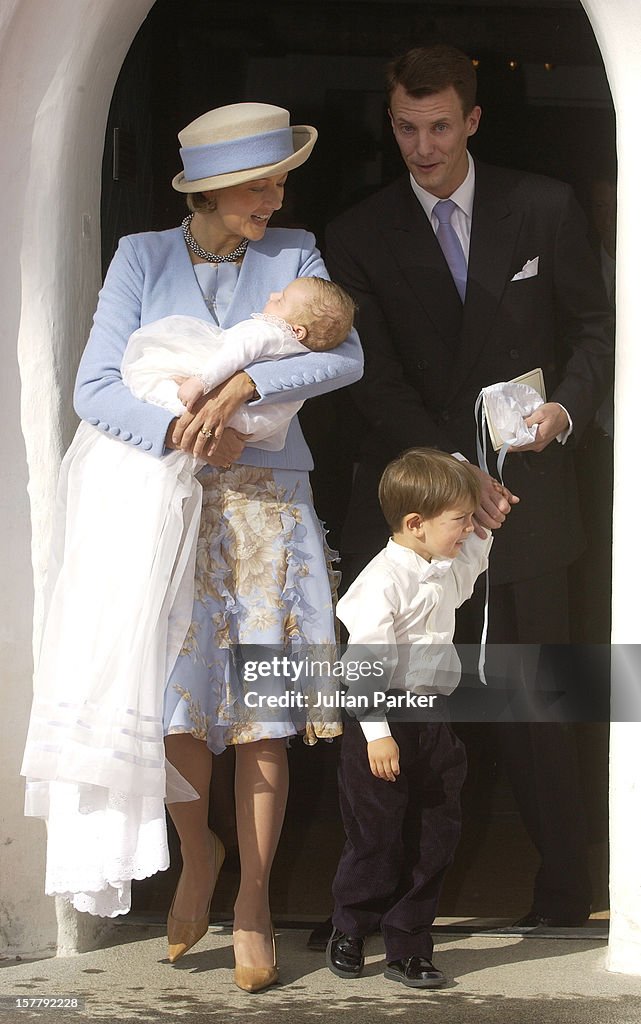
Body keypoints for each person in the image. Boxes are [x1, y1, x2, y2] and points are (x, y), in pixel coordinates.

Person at [21, 102, 363, 993]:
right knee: (177, 710)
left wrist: (248, 377)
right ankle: (198, 855)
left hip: (268, 516)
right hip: (162, 513)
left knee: (261, 721)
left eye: (280, 180)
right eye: (262, 183)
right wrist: (183, 430)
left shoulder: (295, 251)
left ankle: (252, 900)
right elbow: (96, 389)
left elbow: (344, 355)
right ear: (214, 190)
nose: (277, 196)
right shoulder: (141, 256)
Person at [324, 45, 613, 930]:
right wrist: (455, 479)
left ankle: (568, 897)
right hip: (414, 516)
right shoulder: (358, 232)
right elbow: (371, 382)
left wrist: (562, 414)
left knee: (535, 703)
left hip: (530, 504)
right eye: (406, 127)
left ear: (473, 120)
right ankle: (381, 906)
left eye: (440, 125)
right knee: (405, 717)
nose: (422, 145)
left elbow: (594, 329)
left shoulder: (544, 206)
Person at [326, 448, 491, 988]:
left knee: (435, 833)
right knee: (375, 835)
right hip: (383, 723)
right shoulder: (380, 582)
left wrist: (478, 497)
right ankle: (351, 926)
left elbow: (472, 564)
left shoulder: (443, 564)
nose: (468, 529)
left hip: (432, 718)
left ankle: (409, 942)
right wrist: (377, 735)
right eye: (459, 520)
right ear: (415, 524)